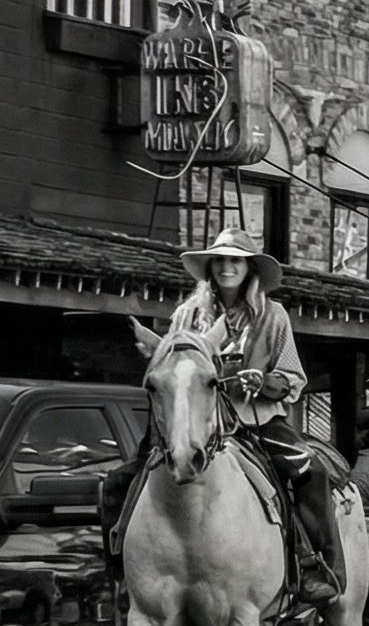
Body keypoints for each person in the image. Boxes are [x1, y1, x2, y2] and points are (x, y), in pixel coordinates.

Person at [106, 231, 346, 604]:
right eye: (220, 260)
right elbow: (171, 366)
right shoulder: (186, 316)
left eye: (235, 260)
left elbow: (293, 378)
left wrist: (264, 382)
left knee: (310, 468)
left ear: (250, 268)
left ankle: (318, 567)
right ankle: (121, 578)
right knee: (118, 481)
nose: (227, 266)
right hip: (195, 424)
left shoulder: (273, 315)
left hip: (257, 422)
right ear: (210, 268)